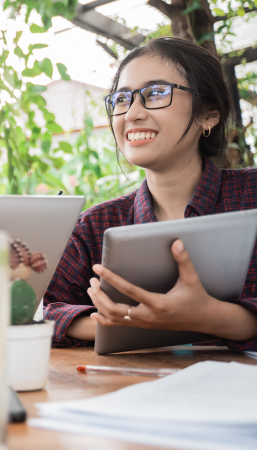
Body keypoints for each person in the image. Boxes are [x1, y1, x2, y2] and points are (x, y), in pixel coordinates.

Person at [44, 37, 257, 351]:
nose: (131, 113)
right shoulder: (95, 227)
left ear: (209, 114)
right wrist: (123, 320)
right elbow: (37, 309)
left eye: (156, 93)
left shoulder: (251, 195)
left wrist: (211, 316)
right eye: (121, 99)